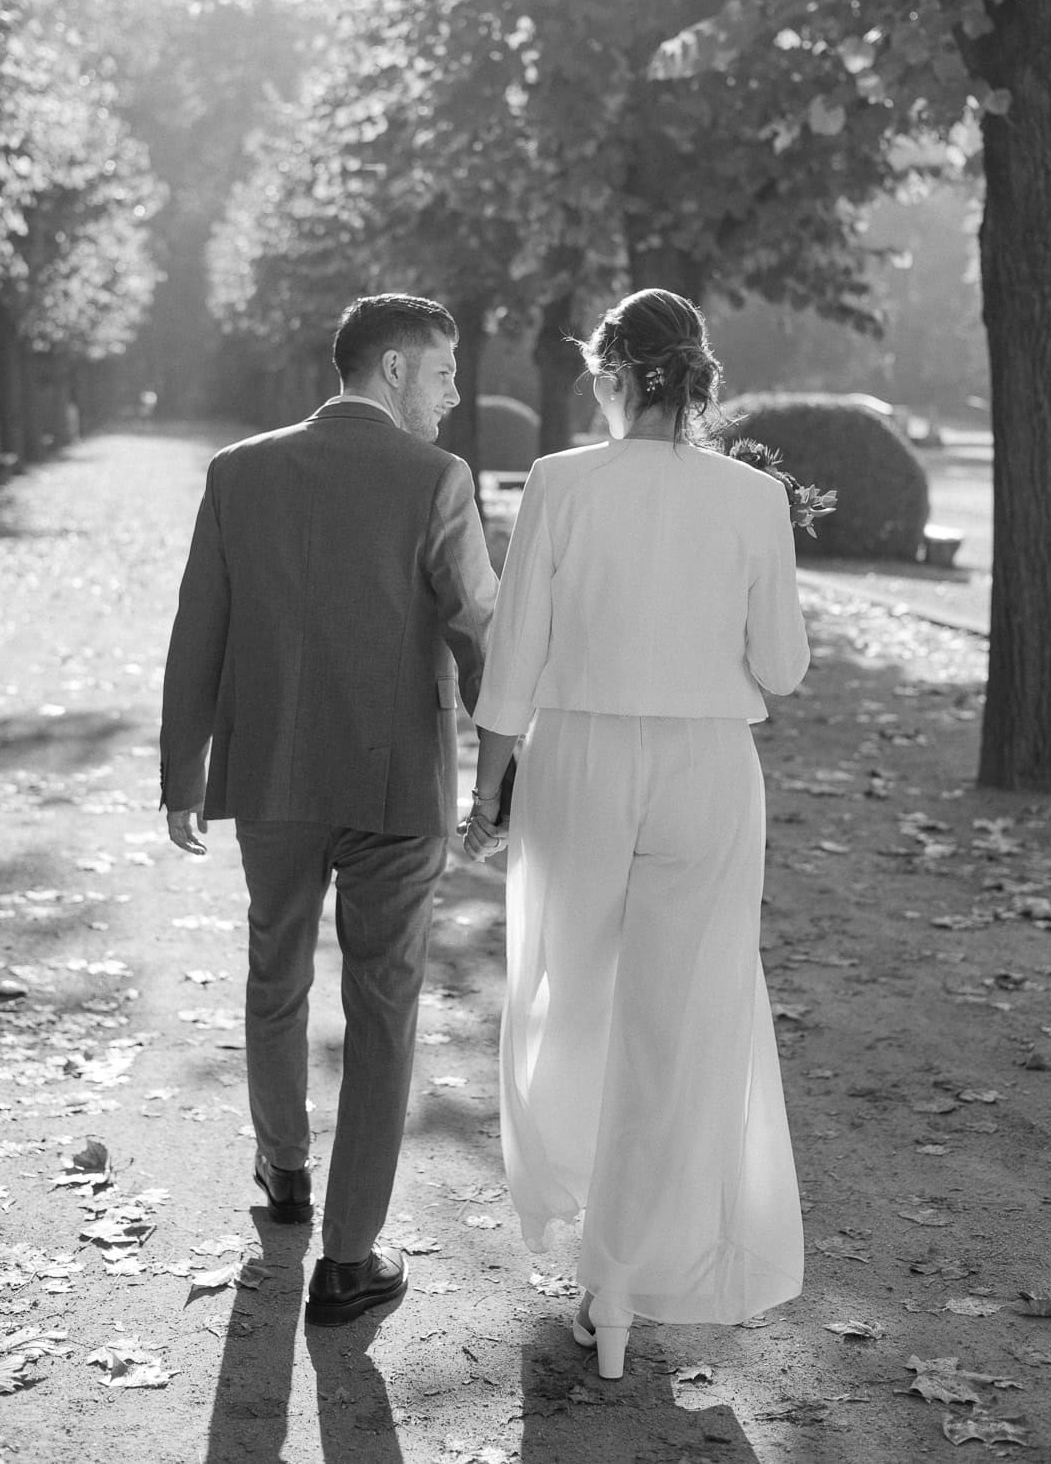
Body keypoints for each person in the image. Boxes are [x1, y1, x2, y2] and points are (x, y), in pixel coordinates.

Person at [462, 288, 810, 1379]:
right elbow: (786, 669)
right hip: (708, 769)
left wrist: (484, 798)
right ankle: (617, 1285)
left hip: (579, 765)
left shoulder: (562, 483)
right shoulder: (754, 498)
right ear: (698, 378)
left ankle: (576, 1209)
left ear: (611, 373)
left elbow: (512, 659)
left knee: (567, 997)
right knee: (676, 1023)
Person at [160, 294, 498, 1326]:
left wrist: (183, 771)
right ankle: (348, 1262)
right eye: (443, 370)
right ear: (393, 368)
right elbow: (480, 628)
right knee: (385, 1006)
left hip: (271, 775)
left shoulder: (239, 472)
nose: (453, 392)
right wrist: (511, 762)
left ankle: (285, 1174)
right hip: (397, 780)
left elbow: (198, 629)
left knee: (275, 968)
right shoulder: (436, 478)